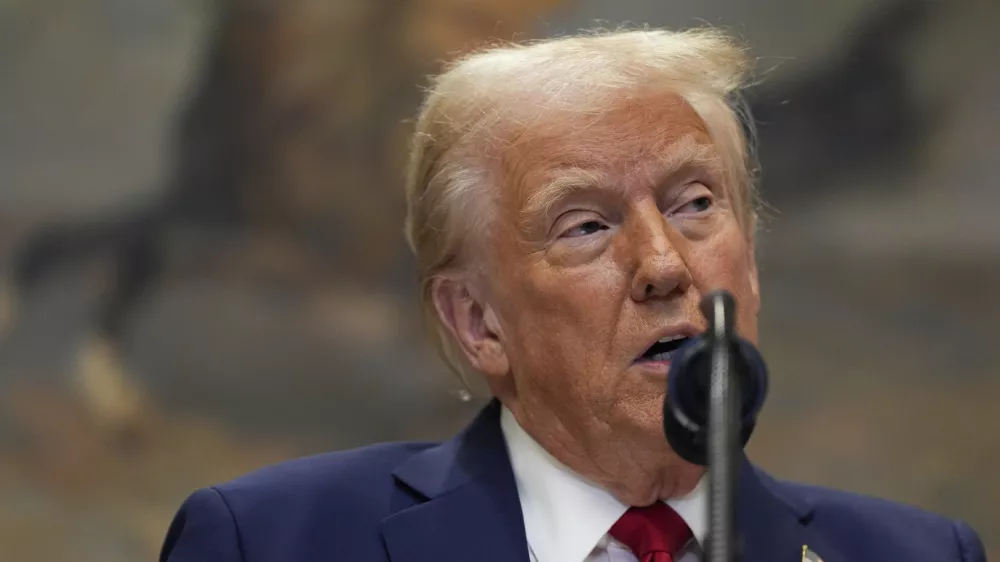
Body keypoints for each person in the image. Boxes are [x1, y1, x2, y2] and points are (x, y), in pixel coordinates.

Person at [159, 29, 986, 562]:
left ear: (752, 267)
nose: (663, 264)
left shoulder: (917, 554)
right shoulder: (271, 541)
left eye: (696, 204)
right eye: (585, 225)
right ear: (477, 322)